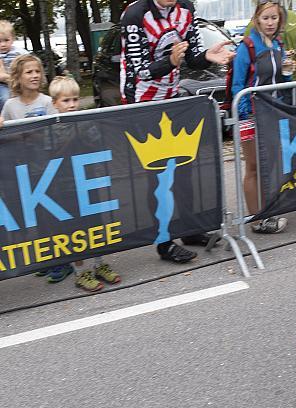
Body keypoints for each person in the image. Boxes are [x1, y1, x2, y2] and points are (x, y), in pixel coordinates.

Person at [119, 0, 235, 262]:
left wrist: (207, 56)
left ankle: (190, 229)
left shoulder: (186, 8)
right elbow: (140, 71)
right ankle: (164, 241)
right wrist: (170, 61)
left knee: (184, 168)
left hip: (172, 97)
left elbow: (191, 57)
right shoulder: (135, 14)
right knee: (158, 175)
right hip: (141, 99)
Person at [1, 55, 75, 283]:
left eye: (37, 71)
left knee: (54, 217)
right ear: (17, 77)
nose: (34, 76)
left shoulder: (46, 102)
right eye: (28, 72)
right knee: (39, 218)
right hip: (26, 170)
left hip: (49, 168)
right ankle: (49, 258)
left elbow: (56, 131)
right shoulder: (10, 105)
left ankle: (63, 261)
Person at [47, 76, 122, 291]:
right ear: (55, 103)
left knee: (95, 226)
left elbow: (96, 143)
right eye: (66, 101)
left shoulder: (86, 120)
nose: (72, 105)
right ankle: (81, 271)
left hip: (88, 182)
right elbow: (50, 155)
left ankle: (100, 264)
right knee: (75, 231)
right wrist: (70, 136)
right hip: (64, 187)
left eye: (75, 100)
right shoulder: (51, 128)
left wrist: (85, 133)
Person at [232, 0, 293, 234]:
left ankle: (269, 211)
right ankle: (256, 219)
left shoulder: (278, 43)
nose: (270, 23)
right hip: (251, 115)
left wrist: (288, 71)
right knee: (254, 166)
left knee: (273, 165)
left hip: (274, 114)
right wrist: (248, 112)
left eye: (274, 18)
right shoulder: (247, 46)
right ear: (257, 18)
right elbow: (238, 85)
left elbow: (283, 81)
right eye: (266, 18)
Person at [0, 20, 27, 112]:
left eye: (6, 40)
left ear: (12, 39)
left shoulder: (18, 52)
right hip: (3, 84)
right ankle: (5, 117)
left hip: (19, 81)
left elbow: (30, 60)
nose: (3, 44)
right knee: (5, 98)